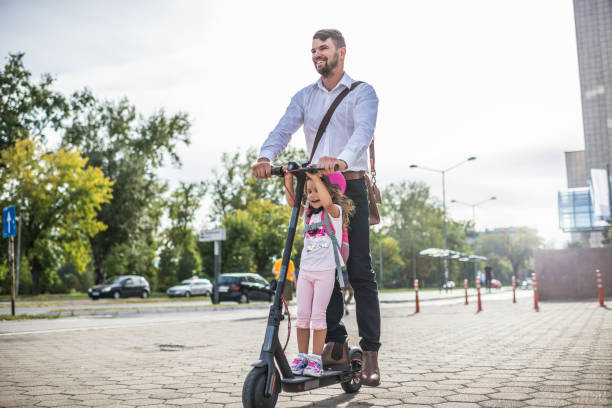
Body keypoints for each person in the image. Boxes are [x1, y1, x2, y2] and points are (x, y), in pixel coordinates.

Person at [252, 29, 382, 386]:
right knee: (323, 265)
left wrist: (339, 160)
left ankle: (370, 352)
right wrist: (266, 156)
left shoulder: (362, 93)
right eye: (312, 50)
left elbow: (363, 133)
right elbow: (283, 129)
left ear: (341, 51)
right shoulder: (304, 97)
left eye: (323, 48)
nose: (316, 54)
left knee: (357, 270)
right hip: (316, 186)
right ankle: (336, 343)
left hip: (349, 185)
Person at [283, 169, 354, 377]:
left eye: (317, 190)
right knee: (302, 317)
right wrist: (288, 178)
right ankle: (302, 356)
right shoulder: (307, 214)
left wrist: (313, 176)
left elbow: (327, 201)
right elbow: (292, 202)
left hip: (325, 273)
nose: (313, 195)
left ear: (330, 191)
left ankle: (315, 359)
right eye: (309, 191)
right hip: (305, 273)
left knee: (318, 316)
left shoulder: (334, 213)